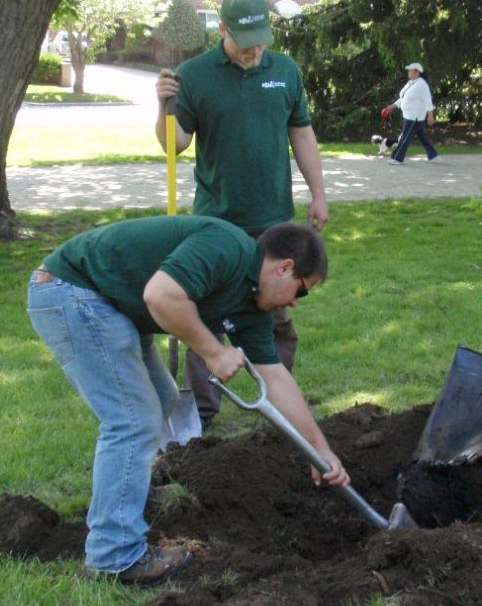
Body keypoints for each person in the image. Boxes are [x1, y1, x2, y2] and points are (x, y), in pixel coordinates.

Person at [27, 216, 350, 585]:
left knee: (162, 398)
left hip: (111, 304)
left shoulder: (252, 306)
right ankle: (113, 554)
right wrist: (213, 352)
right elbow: (160, 295)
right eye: (301, 290)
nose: (295, 303)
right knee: (132, 419)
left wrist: (319, 448)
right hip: (73, 291)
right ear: (285, 268)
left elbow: (276, 378)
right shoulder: (225, 247)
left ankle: (128, 493)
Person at [154, 0, 328, 426]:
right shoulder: (194, 75)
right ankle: (201, 410)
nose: (254, 52)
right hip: (217, 219)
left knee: (278, 313)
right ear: (223, 32)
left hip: (275, 221)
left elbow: (301, 132)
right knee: (208, 316)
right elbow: (174, 145)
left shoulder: (285, 70)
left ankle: (279, 399)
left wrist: (319, 193)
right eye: (245, 44)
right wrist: (163, 108)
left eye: (260, 43)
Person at [381, 62, 439, 165]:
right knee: (422, 136)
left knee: (405, 137)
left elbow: (428, 101)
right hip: (409, 115)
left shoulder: (422, 85)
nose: (408, 72)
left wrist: (430, 116)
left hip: (414, 116)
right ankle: (433, 155)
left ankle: (398, 158)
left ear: (417, 72)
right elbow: (404, 98)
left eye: (410, 70)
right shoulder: (411, 82)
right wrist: (392, 106)